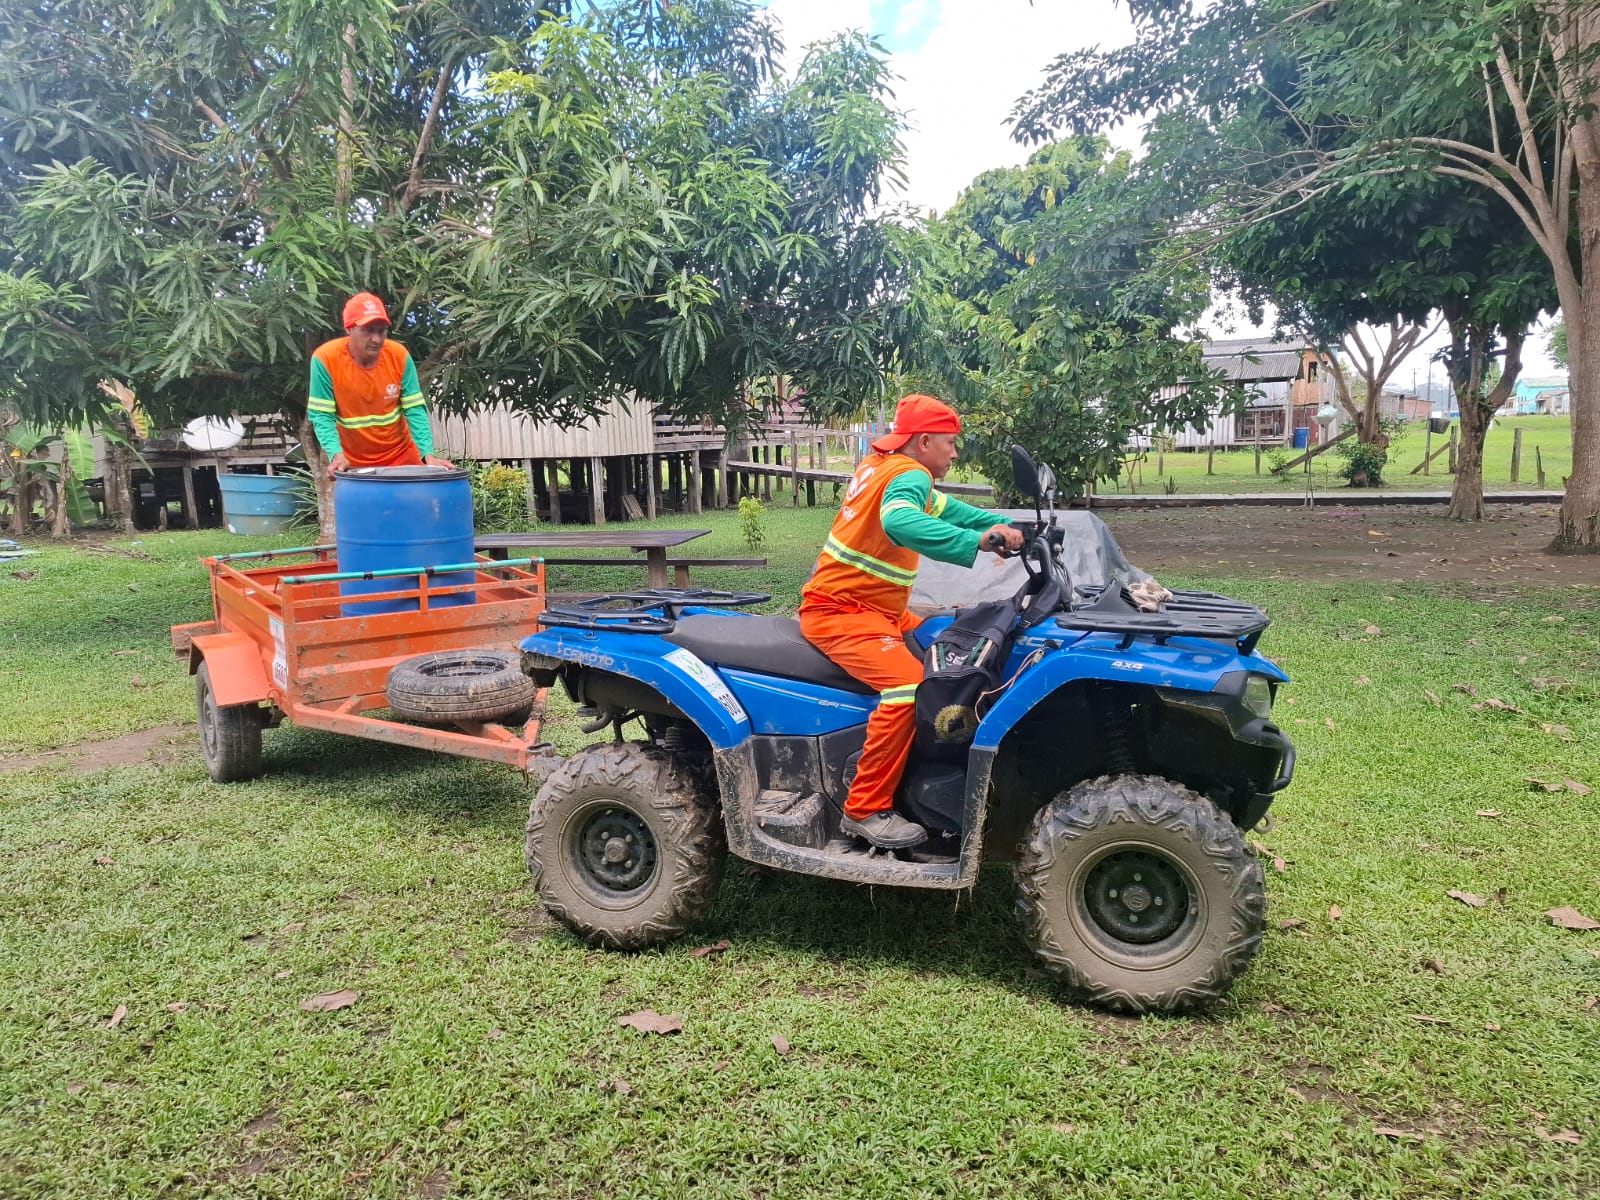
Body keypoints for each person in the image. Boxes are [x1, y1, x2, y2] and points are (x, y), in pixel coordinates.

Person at [799, 393, 1024, 849]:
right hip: (841, 611)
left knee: (945, 644)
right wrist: (979, 543)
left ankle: (926, 765)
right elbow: (901, 522)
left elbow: (953, 511)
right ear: (924, 442)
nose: (955, 452)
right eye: (950, 443)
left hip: (881, 611)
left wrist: (1007, 522)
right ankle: (864, 808)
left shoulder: (884, 467)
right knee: (906, 688)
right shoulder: (907, 475)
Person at [307, 293, 454, 471]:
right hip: (353, 463)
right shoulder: (325, 359)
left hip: (401, 456)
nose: (376, 339)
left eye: (381, 330)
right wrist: (336, 455)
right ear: (349, 329)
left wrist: (428, 455)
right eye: (368, 330)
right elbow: (322, 416)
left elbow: (414, 409)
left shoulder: (399, 356)